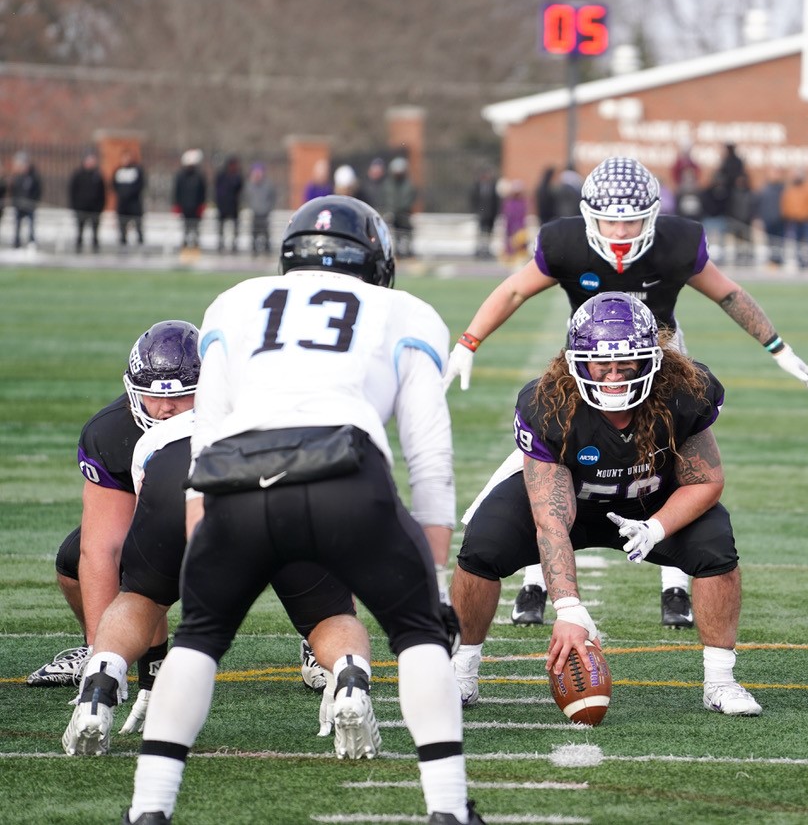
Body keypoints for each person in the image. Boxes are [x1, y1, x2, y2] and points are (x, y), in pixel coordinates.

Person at [123, 195, 482, 825]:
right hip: (346, 470)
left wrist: (202, 528)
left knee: (198, 639)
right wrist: (427, 576)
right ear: (375, 259)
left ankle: (148, 810)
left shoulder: (235, 302)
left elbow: (207, 430)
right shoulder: (405, 311)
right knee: (420, 634)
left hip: (236, 475)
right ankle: (449, 810)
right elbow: (429, 455)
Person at [442, 156, 808, 630]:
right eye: (611, 218)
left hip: (660, 364)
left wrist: (778, 348)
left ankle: (675, 586)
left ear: (653, 215)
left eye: (632, 218)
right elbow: (515, 291)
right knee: (545, 463)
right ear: (589, 215)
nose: (621, 229)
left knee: (669, 462)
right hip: (585, 366)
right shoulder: (565, 242)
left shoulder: (676, 243)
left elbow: (727, 292)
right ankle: (535, 582)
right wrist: (468, 341)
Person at [451, 292, 763, 718]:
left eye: (626, 363)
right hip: (570, 504)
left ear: (653, 358)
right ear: (575, 360)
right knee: (483, 544)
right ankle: (461, 673)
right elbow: (551, 521)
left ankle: (721, 681)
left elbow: (707, 480)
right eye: (602, 364)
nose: (614, 375)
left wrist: (656, 526)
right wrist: (567, 607)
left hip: (648, 501)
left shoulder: (685, 392)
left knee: (715, 545)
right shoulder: (549, 404)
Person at [63, 407, 373, 759]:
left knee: (142, 597)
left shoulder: (154, 434)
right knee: (329, 618)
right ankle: (350, 681)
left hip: (178, 465)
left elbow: (117, 546)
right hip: (290, 463)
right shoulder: (300, 405)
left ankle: (99, 688)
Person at [26, 322, 199, 695]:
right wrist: (101, 653)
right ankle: (116, 656)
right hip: (163, 522)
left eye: (183, 396)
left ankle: (320, 638)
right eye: (151, 396)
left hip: (241, 519)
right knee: (76, 559)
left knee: (307, 531)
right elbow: (102, 547)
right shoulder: (109, 432)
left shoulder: (242, 416)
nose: (166, 409)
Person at [69, 152, 106, 254]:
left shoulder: (98, 175)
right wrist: (75, 206)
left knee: (95, 232)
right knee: (80, 230)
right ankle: (78, 249)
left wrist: (100, 207)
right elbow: (72, 191)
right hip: (81, 208)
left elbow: (102, 193)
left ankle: (95, 250)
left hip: (95, 209)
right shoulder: (78, 175)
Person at [172, 150, 206, 251]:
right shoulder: (181, 176)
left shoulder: (199, 177)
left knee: (195, 227)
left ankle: (195, 244)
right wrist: (177, 205)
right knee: (185, 227)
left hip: (196, 207)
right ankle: (185, 244)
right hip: (185, 207)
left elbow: (202, 192)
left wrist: (201, 206)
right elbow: (177, 191)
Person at [113, 151, 147, 247]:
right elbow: (114, 185)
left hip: (134, 204)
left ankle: (140, 245)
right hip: (122, 204)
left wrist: (130, 194)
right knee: (122, 227)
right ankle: (123, 245)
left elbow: (140, 185)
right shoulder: (118, 171)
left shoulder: (137, 171)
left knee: (138, 226)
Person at [384, 156, 415, 257]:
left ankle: (407, 251)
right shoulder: (388, 185)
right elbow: (387, 200)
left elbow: (407, 201)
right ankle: (394, 250)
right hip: (392, 215)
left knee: (406, 231)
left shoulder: (408, 185)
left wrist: (400, 212)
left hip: (403, 215)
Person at [11, 151, 42, 248]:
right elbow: (14, 189)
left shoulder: (33, 176)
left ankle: (31, 241)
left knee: (31, 224)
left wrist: (33, 200)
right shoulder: (18, 176)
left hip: (30, 205)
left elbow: (38, 189)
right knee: (17, 224)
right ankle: (17, 242)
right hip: (19, 204)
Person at [245, 163, 276, 255]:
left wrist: (268, 207)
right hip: (255, 212)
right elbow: (247, 197)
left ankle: (267, 249)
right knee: (254, 233)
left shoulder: (267, 185)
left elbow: (272, 197)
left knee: (265, 233)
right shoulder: (250, 185)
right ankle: (254, 249)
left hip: (264, 212)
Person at [214, 156, 244, 253]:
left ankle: (234, 244)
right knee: (221, 226)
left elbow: (239, 188)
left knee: (235, 226)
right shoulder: (222, 176)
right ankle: (221, 243)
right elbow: (217, 190)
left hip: (233, 206)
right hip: (223, 206)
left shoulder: (237, 176)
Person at [470, 167, 500, 259]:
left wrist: (496, 213)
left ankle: (487, 249)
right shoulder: (477, 187)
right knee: (481, 232)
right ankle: (479, 250)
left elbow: (496, 201)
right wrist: (477, 211)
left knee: (489, 233)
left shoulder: (492, 187)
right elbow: (473, 199)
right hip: (481, 214)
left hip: (491, 215)